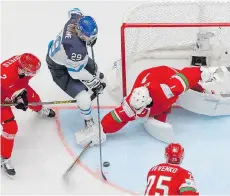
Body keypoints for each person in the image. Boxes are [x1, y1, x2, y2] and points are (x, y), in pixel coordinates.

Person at [75, 64, 228, 146]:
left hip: (164, 73)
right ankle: (163, 113)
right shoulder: (131, 104)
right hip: (146, 76)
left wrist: (206, 73)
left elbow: (190, 74)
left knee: (192, 87)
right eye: (136, 109)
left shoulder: (169, 89)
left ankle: (206, 91)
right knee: (160, 110)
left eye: (139, 109)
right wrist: (101, 130)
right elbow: (117, 117)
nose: (135, 111)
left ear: (147, 102)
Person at [46, 8, 106, 128]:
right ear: (79, 31)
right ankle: (88, 120)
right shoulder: (76, 49)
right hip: (59, 68)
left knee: (94, 69)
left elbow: (74, 10)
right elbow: (75, 73)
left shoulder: (77, 19)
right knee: (84, 98)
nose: (91, 39)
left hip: (68, 57)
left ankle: (94, 82)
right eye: (88, 36)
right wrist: (93, 82)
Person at [1, 53, 55, 178]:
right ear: (22, 69)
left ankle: (39, 109)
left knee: (34, 99)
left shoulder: (23, 63)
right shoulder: (5, 75)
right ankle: (4, 158)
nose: (33, 74)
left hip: (14, 86)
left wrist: (18, 96)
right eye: (31, 72)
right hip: (1, 96)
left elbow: (20, 85)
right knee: (10, 128)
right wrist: (13, 99)